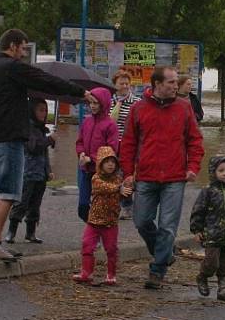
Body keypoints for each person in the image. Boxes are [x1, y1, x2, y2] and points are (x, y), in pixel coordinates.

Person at [0, 28, 89, 262]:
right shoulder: (12, 68)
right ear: (14, 46)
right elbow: (46, 80)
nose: (25, 52)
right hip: (8, 138)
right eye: (24, 47)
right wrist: (79, 92)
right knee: (8, 193)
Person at [119, 66, 204, 289]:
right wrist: (127, 173)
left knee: (168, 227)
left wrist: (193, 166)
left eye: (176, 82)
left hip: (175, 177)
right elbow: (127, 144)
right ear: (157, 84)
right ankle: (165, 253)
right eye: (171, 83)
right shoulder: (138, 109)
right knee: (142, 221)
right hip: (146, 175)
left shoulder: (184, 108)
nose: (176, 86)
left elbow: (195, 141)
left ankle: (157, 270)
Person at [73, 146, 130, 285]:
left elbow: (122, 195)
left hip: (110, 223)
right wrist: (119, 189)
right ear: (100, 164)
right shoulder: (96, 178)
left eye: (113, 161)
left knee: (111, 249)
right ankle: (86, 272)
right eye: (107, 161)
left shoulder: (118, 180)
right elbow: (104, 188)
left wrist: (128, 188)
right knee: (87, 245)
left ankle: (111, 274)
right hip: (93, 222)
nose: (110, 164)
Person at [190, 156, 225, 301]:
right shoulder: (207, 191)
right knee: (212, 262)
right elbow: (198, 211)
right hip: (212, 234)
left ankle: (223, 290)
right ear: (213, 172)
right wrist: (196, 230)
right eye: (221, 170)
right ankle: (202, 277)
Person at [4, 99, 55, 244]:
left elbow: (44, 154)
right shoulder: (27, 128)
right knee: (22, 202)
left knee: (35, 204)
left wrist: (48, 170)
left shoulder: (41, 129)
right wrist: (49, 139)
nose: (44, 113)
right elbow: (33, 147)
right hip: (28, 172)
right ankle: (11, 231)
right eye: (40, 110)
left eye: (45, 110)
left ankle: (30, 232)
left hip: (40, 173)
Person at [75, 87, 119, 222]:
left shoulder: (110, 125)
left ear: (103, 104)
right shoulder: (87, 121)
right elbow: (80, 141)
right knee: (83, 207)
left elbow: (111, 149)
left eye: (96, 103)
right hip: (85, 170)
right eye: (91, 103)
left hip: (101, 173)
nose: (92, 106)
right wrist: (81, 153)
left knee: (99, 206)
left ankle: (96, 234)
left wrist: (93, 158)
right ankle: (94, 230)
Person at [109, 69, 138, 220]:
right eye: (122, 83)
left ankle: (127, 205)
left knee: (126, 173)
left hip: (128, 143)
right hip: (112, 143)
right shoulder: (108, 101)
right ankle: (114, 203)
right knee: (112, 174)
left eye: (127, 83)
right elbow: (106, 122)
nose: (125, 86)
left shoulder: (136, 102)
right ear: (115, 85)